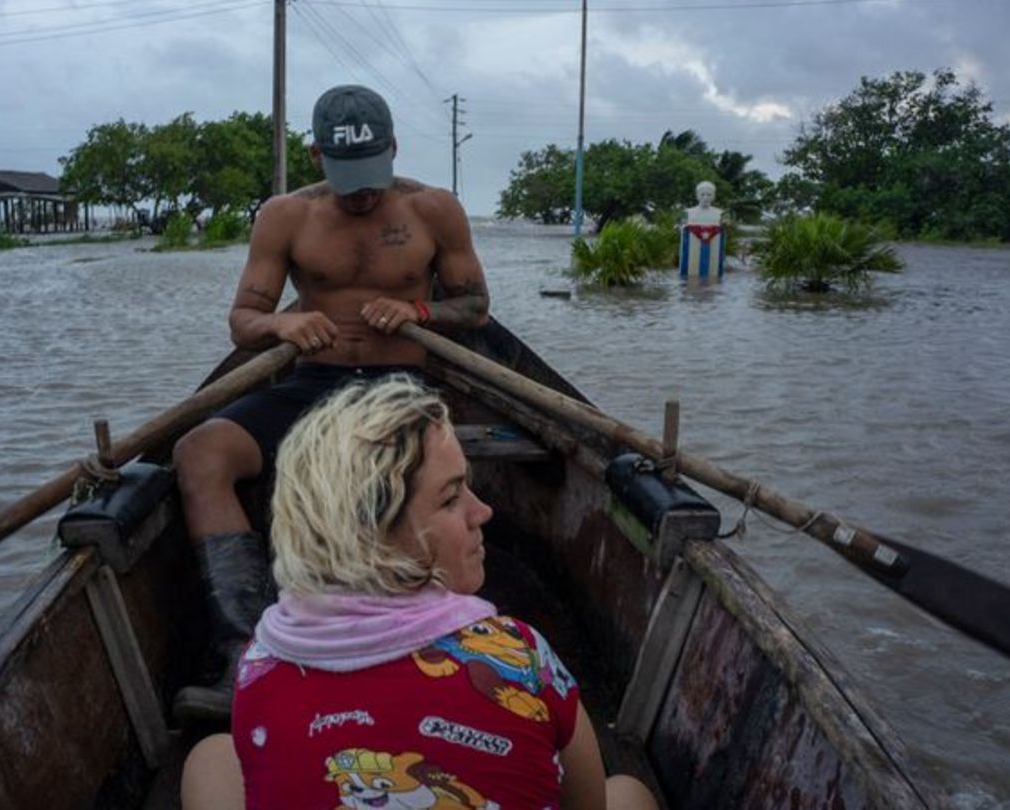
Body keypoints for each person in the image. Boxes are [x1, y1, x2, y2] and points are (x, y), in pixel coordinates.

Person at [180, 376, 660, 810]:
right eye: (451, 498)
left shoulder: (258, 663)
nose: (484, 511)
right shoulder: (519, 655)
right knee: (628, 794)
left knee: (211, 758)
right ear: (374, 533)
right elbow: (587, 801)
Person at [170, 84, 490, 721]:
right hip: (312, 387)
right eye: (347, 179)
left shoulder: (435, 209)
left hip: (402, 391)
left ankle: (434, 639)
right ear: (316, 157)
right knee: (199, 452)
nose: (361, 194)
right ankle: (246, 650)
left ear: (394, 149)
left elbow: (476, 308)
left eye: (372, 175)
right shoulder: (285, 216)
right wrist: (283, 327)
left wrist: (418, 309)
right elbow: (242, 320)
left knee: (389, 475)